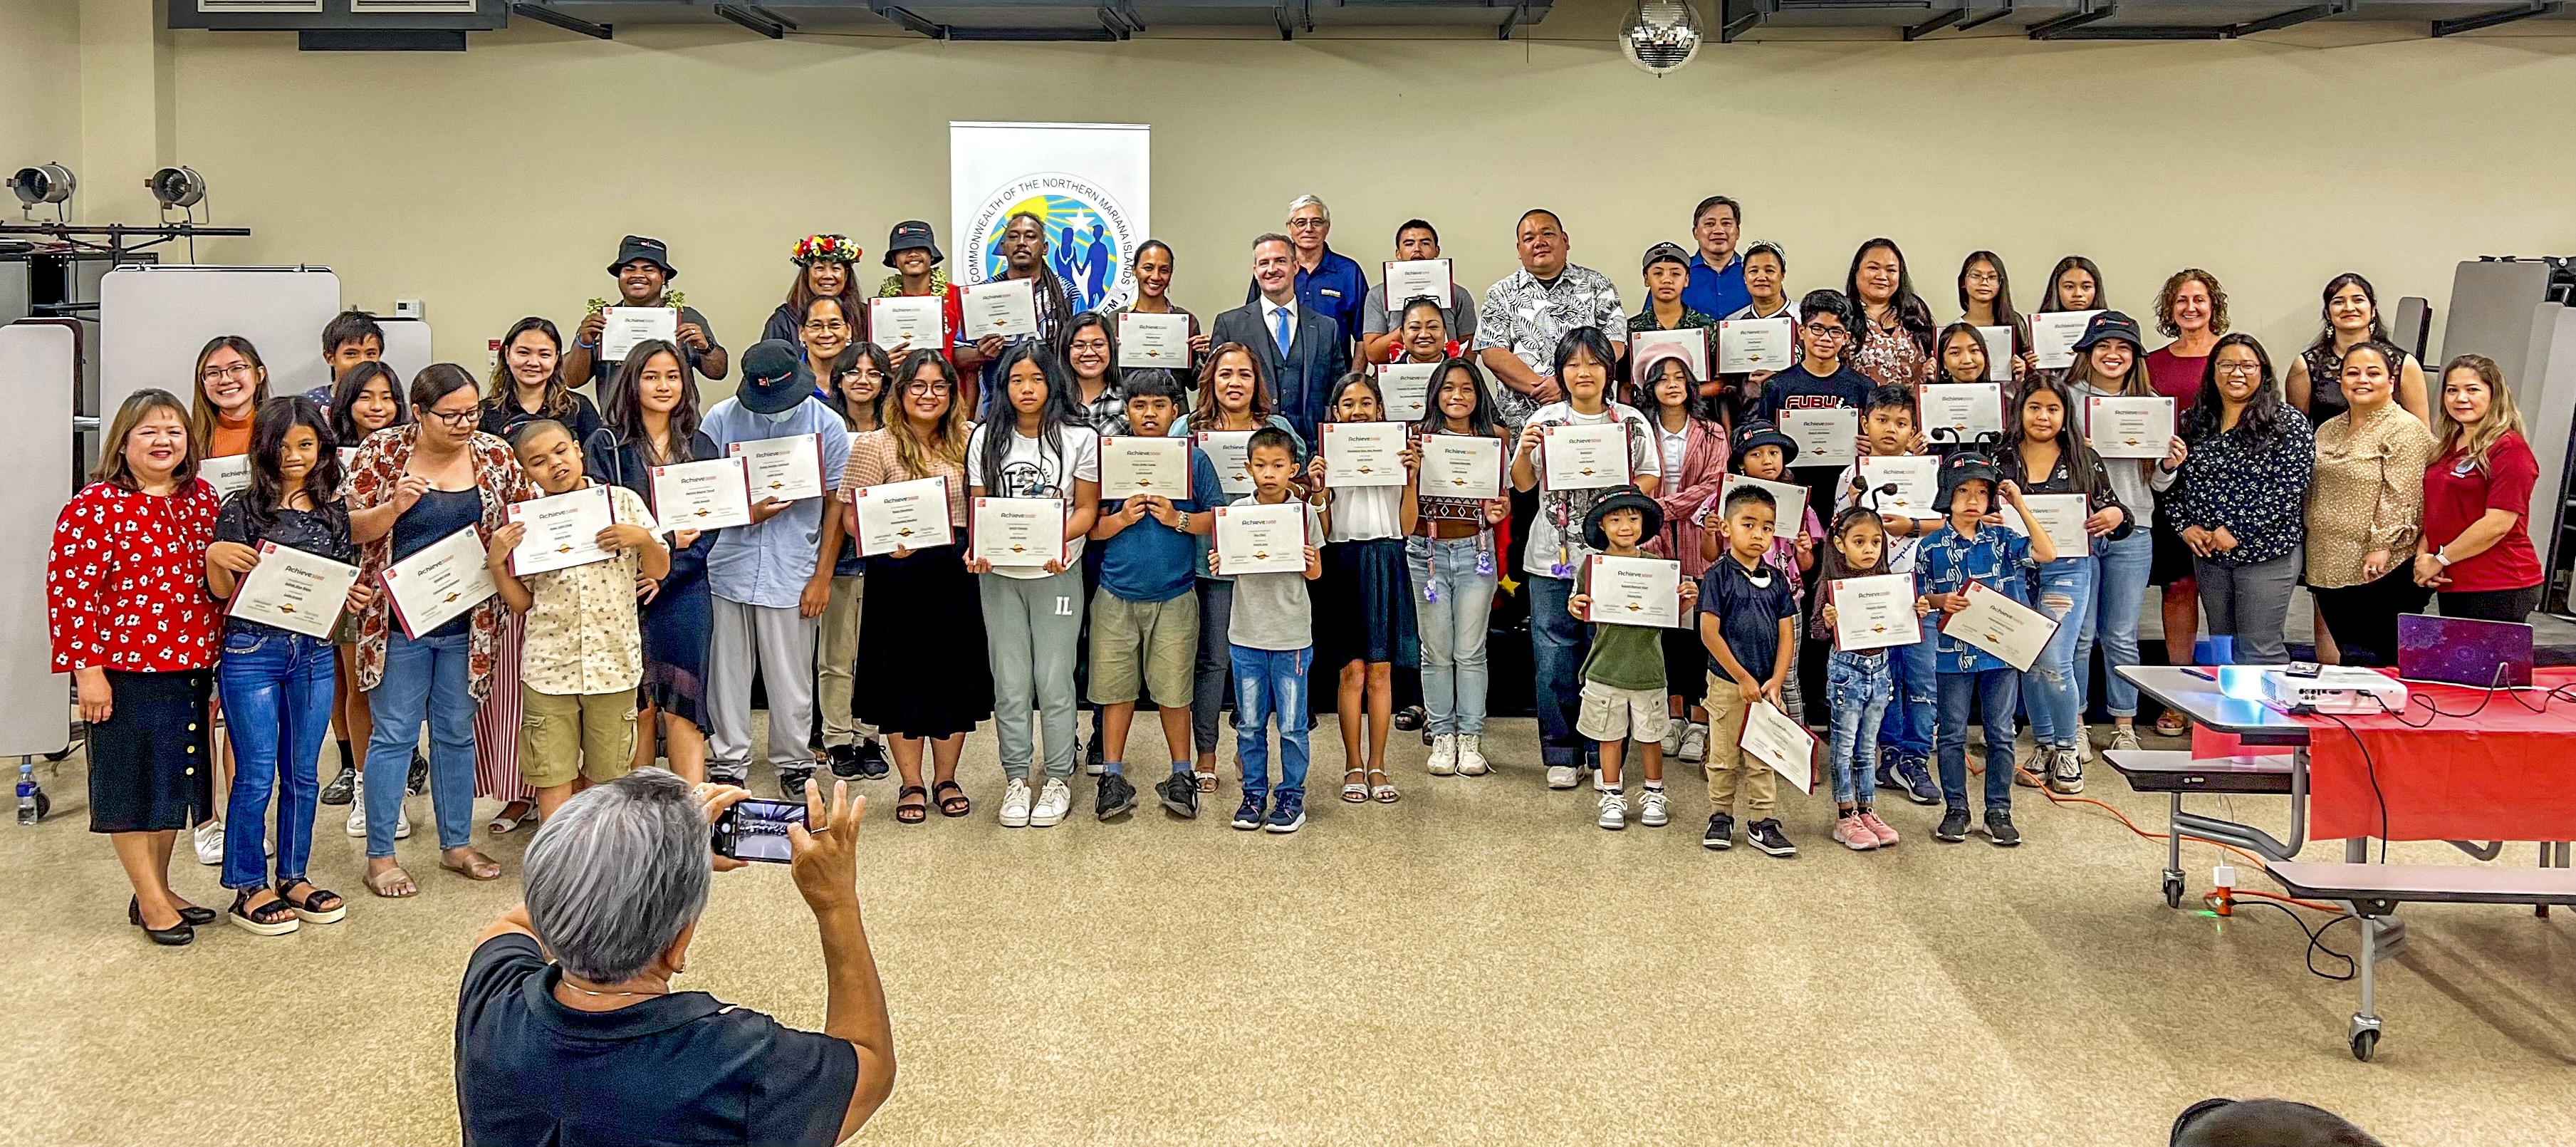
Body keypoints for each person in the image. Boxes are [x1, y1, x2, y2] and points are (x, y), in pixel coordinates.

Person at [454, 772, 894, 1146]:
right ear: (677, 944)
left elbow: (515, 924)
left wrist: (640, 855)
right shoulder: (737, 1063)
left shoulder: (492, 998)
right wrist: (836, 904)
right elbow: (870, 1064)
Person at [346, 363, 533, 897]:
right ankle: (381, 856)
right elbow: (348, 528)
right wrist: (394, 507)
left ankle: (456, 844)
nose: (463, 424)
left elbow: (528, 516)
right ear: (418, 413)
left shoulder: (495, 455)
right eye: (449, 415)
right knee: (394, 736)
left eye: (471, 412)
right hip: (395, 624)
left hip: (470, 624)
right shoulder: (382, 452)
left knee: (456, 732)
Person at [51, 390, 223, 944]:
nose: (163, 441)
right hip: (123, 674)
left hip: (189, 667)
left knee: (173, 785)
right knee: (130, 787)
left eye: (173, 431)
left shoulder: (202, 499)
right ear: (123, 443)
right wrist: (87, 672)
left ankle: (159, 887)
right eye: (148, 431)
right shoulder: (94, 505)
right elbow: (70, 596)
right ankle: (149, 900)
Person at [202, 397, 368, 935]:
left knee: (303, 772)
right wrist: (218, 559)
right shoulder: (241, 508)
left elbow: (336, 589)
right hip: (251, 652)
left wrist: (351, 598)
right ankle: (249, 885)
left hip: (313, 654)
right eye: (283, 445)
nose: (295, 456)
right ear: (263, 448)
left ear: (322, 447)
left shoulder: (333, 513)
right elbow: (220, 592)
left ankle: (294, 876)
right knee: (254, 775)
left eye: (306, 444)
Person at [486, 419, 667, 824]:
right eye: (538, 461)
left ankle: (599, 850)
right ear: (526, 472)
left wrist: (641, 538)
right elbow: (522, 603)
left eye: (560, 451)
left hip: (613, 664)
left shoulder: (621, 502)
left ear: (578, 449)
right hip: (550, 667)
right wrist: (497, 563)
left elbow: (659, 568)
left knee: (608, 776)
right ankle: (556, 849)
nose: (555, 464)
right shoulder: (526, 522)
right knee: (552, 773)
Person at [845, 351, 994, 824]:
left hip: (955, 572)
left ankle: (946, 778)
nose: (929, 395)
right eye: (918, 386)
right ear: (901, 391)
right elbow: (850, 516)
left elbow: (985, 502)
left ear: (952, 393)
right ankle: (911, 782)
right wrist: (883, 543)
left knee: (952, 677)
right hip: (897, 576)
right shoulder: (874, 445)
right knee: (902, 678)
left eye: (939, 387)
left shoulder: (971, 438)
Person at [699, 341, 852, 796]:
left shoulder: (826, 423)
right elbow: (704, 494)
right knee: (725, 672)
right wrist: (745, 511)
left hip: (794, 566)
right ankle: (728, 762)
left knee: (791, 673)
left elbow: (835, 505)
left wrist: (822, 577)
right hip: (727, 563)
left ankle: (794, 762)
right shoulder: (720, 419)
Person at [1511, 327, 1659, 789]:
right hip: (1551, 559)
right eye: (1573, 364)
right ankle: (1561, 751)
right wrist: (1525, 450)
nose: (1584, 372)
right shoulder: (1545, 420)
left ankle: (1603, 756)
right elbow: (1521, 484)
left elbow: (1650, 477)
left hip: (1612, 560)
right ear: (1560, 373)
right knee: (1555, 657)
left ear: (1608, 370)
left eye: (1593, 363)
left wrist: (1616, 500)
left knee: (1606, 659)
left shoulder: (1630, 421)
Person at [965, 343, 1102, 829]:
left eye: (1036, 379)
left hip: (1056, 570)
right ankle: (1017, 777)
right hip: (1001, 576)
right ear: (1003, 387)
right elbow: (979, 508)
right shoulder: (985, 437)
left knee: (1054, 678)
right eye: (1016, 380)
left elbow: (1087, 510)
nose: (1026, 389)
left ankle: (1059, 776)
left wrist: (1054, 538)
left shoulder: (1080, 438)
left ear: (1053, 384)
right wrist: (978, 547)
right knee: (1010, 682)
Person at [585, 341, 721, 784]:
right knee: (637, 705)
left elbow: (711, 525)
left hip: (686, 591)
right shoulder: (606, 444)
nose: (664, 386)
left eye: (673, 376)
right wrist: (654, 554)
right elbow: (601, 520)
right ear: (632, 383)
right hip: (625, 591)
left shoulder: (701, 445)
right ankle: (640, 813)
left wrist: (665, 573)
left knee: (685, 703)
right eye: (651, 377)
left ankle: (691, 809)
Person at [1087, 371, 1221, 819]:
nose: (1149, 414)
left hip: (1175, 595)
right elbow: (1090, 528)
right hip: (1116, 593)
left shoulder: (1194, 459)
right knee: (1115, 690)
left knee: (1174, 690)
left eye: (1160, 405)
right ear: (1126, 411)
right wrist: (1121, 519)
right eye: (1139, 405)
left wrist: (1177, 520)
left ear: (1175, 411)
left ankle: (1182, 774)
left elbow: (1216, 518)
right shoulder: (1109, 459)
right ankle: (1112, 776)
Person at [1172, 343, 1308, 787]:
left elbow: (1299, 484)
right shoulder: (1187, 429)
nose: (1234, 383)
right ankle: (1207, 753)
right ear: (1210, 379)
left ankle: (1246, 747)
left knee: (1260, 663)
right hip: (1211, 561)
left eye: (1244, 374)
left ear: (1257, 381)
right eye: (1225, 374)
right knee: (1213, 661)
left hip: (1269, 569)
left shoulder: (1277, 428)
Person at [1917, 450, 2056, 846]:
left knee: (2000, 732)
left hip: (2000, 653)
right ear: (1947, 495)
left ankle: (1999, 811)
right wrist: (1941, 601)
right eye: (1963, 491)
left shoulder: (2003, 540)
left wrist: (2020, 506)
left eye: (1982, 492)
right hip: (1951, 653)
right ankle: (1956, 810)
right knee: (1951, 733)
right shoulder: (1931, 547)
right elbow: (1919, 598)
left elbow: (2047, 553)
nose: (1973, 500)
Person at [1997, 378, 2127, 794]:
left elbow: (2118, 511)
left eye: (2053, 409)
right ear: (2020, 412)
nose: (2043, 417)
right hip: (2014, 570)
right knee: (2029, 659)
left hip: (2067, 571)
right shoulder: (2000, 457)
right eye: (2034, 408)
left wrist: (2115, 517)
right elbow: (1970, 508)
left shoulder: (2084, 457)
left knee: (2055, 659)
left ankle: (2069, 748)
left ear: (2066, 414)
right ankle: (2045, 746)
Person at [2063, 313, 2184, 748]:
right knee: (2080, 635)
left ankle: (2124, 726)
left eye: (2123, 348)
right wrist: (2076, 452)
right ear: (2087, 352)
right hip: (2078, 528)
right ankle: (2074, 726)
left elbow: (2157, 483)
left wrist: (2169, 465)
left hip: (2135, 529)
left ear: (2135, 357)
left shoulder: (2151, 404)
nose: (2113, 355)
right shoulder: (2065, 398)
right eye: (2103, 346)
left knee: (2120, 635)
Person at [1310, 373, 1422, 806]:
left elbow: (1407, 526)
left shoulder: (1397, 452)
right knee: (1351, 671)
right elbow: (1325, 530)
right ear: (1336, 412)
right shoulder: (1329, 455)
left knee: (1380, 671)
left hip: (1387, 559)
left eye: (1366, 403)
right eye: (1348, 404)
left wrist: (1411, 478)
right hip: (1345, 561)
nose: (1358, 411)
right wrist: (1319, 491)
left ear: (1379, 409)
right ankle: (1352, 764)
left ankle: (1378, 764)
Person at [1827, 390, 1941, 806]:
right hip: (1870, 590)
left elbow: (1947, 521)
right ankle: (1889, 754)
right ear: (1865, 424)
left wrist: (1912, 526)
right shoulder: (1851, 475)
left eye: (1901, 423)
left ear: (1913, 430)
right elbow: (1839, 530)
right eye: (1882, 420)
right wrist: (1858, 509)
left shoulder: (1927, 470)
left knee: (1922, 677)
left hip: (1919, 587)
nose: (1891, 430)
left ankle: (1916, 757)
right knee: (1883, 679)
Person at [1210, 427, 1326, 834]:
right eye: (1261, 466)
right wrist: (1220, 563)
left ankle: (1291, 796)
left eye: (1278, 466)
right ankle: (1253, 795)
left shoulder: (1304, 514)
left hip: (1291, 636)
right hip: (1246, 635)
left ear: (1293, 469)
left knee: (1292, 725)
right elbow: (1228, 568)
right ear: (1248, 469)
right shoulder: (1236, 513)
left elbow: (1316, 574)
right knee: (1249, 724)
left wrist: (1310, 562)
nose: (1269, 473)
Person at [2175, 334, 2313, 666]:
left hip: (2267, 554)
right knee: (2222, 649)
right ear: (2212, 371)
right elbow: (2173, 482)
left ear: (2263, 371)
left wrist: (2236, 530)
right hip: (2210, 554)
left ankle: (2271, 704)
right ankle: (2225, 704)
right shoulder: (2193, 421)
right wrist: (2185, 525)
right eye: (2226, 365)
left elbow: (2288, 487)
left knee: (2259, 650)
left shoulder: (2287, 422)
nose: (2237, 373)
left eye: (2247, 366)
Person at [1568, 487, 1695, 831]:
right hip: (1604, 669)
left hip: (1648, 670)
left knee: (1650, 737)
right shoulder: (1593, 568)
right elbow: (1580, 607)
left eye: (1633, 518)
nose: (1625, 526)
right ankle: (1612, 795)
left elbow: (1671, 615)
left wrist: (1686, 601)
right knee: (1609, 736)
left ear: (1643, 523)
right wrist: (1576, 606)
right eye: (1615, 519)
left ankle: (1654, 793)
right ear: (1602, 526)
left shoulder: (1658, 568)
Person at [2306, 341, 2439, 667]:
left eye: (2373, 373)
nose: (2362, 380)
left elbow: (2404, 494)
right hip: (2327, 561)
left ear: (2392, 382)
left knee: (2380, 660)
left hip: (2382, 567)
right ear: (2341, 381)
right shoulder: (2328, 429)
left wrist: (2382, 546)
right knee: (2349, 656)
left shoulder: (2405, 429)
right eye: (2352, 373)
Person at [320, 362, 412, 824]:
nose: (377, 407)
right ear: (345, 402)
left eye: (387, 397)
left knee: (399, 694)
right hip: (349, 585)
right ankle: (364, 786)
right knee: (360, 687)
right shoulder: (324, 455)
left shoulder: (414, 450)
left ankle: (393, 788)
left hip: (406, 582)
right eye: (365, 397)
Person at [1409, 356, 1508, 779]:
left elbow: (1501, 501)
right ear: (1435, 394)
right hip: (1426, 552)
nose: (1457, 396)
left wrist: (1500, 510)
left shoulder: (1493, 441)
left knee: (1470, 651)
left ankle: (1470, 737)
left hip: (1475, 552)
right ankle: (1442, 734)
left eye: (1467, 388)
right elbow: (1404, 509)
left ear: (1478, 395)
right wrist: (1412, 473)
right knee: (1435, 651)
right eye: (1449, 388)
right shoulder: (1417, 440)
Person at [1694, 484, 1800, 856]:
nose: (1759, 535)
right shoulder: (1717, 576)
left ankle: (1762, 821)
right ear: (1726, 528)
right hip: (1728, 684)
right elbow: (1709, 632)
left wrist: (1776, 681)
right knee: (1723, 757)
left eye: (1767, 527)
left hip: (1766, 688)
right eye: (1749, 524)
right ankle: (1720, 815)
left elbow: (1787, 634)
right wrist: (1741, 677)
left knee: (1763, 756)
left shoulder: (1778, 580)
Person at [1811, 506, 1925, 850]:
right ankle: (1845, 815)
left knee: (1867, 746)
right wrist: (1828, 621)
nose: (1869, 549)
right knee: (1844, 745)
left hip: (1880, 668)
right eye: (1859, 541)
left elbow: (1900, 626)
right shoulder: (1832, 585)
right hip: (1847, 670)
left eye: (1876, 541)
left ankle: (1867, 809)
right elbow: (1816, 632)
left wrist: (1915, 611)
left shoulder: (1890, 583)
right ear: (1840, 544)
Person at [1696, 422, 1821, 729]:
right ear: (1741, 463)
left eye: (1774, 453)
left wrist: (1805, 550)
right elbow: (1709, 555)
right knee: (1737, 673)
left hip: (1784, 602)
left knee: (1786, 678)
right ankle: (1741, 739)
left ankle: (1795, 742)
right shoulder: (1722, 502)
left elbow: (1806, 566)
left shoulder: (1799, 503)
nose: (1767, 461)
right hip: (1734, 601)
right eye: (1757, 454)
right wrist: (1710, 533)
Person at [1637, 355, 1728, 765]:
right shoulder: (1639, 430)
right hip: (1652, 540)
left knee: (1699, 635)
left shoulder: (1712, 432)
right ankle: (1672, 717)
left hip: (1700, 537)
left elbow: (1713, 485)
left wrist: (1661, 507)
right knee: (1666, 634)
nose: (1672, 385)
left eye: (1679, 378)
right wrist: (1654, 515)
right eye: (1662, 379)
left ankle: (1699, 721)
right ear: (1650, 388)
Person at [1476, 209, 1629, 432]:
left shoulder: (1598, 285)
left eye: (1547, 234)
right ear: (1519, 249)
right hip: (1523, 421)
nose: (1539, 242)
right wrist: (1544, 389)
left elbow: (1615, 343)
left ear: (1565, 240)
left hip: (1590, 417)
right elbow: (1493, 353)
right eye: (1529, 238)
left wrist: (1564, 384)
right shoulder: (1500, 293)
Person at [2416, 354, 2543, 623]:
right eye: (2452, 390)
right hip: (2454, 580)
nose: (2461, 398)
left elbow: (2498, 524)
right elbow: (2438, 510)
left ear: (2494, 395)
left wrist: (2440, 559)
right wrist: (2424, 555)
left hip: (2498, 583)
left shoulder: (2509, 449)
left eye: (2472, 390)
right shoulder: (2448, 446)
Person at [813, 346, 891, 780]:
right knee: (837, 656)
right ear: (838, 379)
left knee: (875, 655)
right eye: (854, 372)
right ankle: (837, 738)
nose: (863, 380)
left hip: (886, 557)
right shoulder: (824, 427)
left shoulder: (896, 428)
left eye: (874, 373)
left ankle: (869, 736)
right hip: (839, 556)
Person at [2145, 269, 2227, 675]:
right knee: (2178, 588)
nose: (2190, 307)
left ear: (2214, 306)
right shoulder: (2151, 364)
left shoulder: (2233, 356)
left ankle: (2229, 683)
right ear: (2169, 308)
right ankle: (2178, 687)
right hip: (2171, 487)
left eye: (2199, 299)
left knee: (2228, 594)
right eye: (2181, 300)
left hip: (2225, 490)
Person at [1756, 289, 1875, 535]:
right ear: (1802, 332)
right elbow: (1765, 442)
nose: (1825, 338)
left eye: (1835, 331)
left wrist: (1871, 447)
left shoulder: (1864, 387)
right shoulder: (1777, 386)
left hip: (1845, 488)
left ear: (1846, 338)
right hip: (1793, 486)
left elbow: (1875, 441)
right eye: (1817, 328)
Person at [1210, 233, 1350, 441]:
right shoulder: (1230, 325)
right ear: (1255, 271)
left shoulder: (1326, 328)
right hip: (1250, 448)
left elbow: (1339, 395)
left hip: (1313, 449)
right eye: (1264, 263)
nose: (1272, 269)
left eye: (1280, 261)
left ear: (1295, 267)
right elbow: (1213, 391)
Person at [568, 234, 729, 388]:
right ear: (619, 276)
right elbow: (571, 380)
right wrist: (584, 342)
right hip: (617, 409)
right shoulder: (601, 322)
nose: (638, 275)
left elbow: (718, 373)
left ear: (663, 276)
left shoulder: (685, 317)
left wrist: (705, 347)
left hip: (677, 408)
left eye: (648, 269)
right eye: (630, 269)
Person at [2286, 272, 2432, 427]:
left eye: (2358, 300)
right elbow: (2296, 431)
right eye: (2339, 302)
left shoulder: (2404, 364)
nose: (2349, 308)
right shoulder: (2306, 365)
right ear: (2328, 314)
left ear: (2373, 310)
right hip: (2324, 442)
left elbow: (2422, 431)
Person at [969, 212, 1080, 415]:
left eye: (1030, 236)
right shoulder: (982, 293)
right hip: (998, 409)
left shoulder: (1067, 292)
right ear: (1003, 247)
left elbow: (1083, 345)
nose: (1021, 243)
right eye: (1013, 237)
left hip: (1056, 408)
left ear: (1044, 248)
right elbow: (958, 354)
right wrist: (979, 354)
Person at [1246, 194, 1367, 357]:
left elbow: (1364, 337)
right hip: (1275, 369)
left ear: (1327, 227)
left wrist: (1354, 373)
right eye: (1301, 223)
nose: (1309, 229)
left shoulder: (1349, 272)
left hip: (1333, 370)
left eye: (1317, 222)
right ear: (1290, 228)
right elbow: (1251, 324)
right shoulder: (1272, 272)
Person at [1360, 219, 1479, 365]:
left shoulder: (1459, 295)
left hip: (1446, 374)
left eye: (1425, 243)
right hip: (1397, 376)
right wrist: (1411, 329)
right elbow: (1373, 355)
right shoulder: (1378, 295)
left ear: (1437, 251)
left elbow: (1469, 348)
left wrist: (1457, 375)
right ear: (1398, 253)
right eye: (1409, 244)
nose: (1417, 249)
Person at [481, 316, 606, 450]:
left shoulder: (578, 408)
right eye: (523, 353)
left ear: (556, 358)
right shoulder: (485, 412)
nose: (533, 362)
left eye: (544, 355)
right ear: (507, 354)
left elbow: (597, 458)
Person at [872, 220, 976, 376]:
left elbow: (971, 365)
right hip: (899, 386)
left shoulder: (958, 296)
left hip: (950, 386)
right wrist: (883, 364)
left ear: (932, 255)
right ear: (894, 259)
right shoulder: (883, 304)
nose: (913, 254)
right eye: (903, 250)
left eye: (921, 248)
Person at [1716, 239, 1797, 433]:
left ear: (1782, 275)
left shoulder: (1803, 317)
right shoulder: (1732, 323)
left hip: (1793, 420)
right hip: (1744, 427)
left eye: (1770, 270)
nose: (1762, 277)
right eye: (1754, 271)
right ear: (1744, 277)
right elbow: (1725, 387)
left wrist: (1780, 378)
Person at [1629, 242, 1720, 398]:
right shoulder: (1632, 328)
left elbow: (1721, 382)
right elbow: (1626, 385)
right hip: (1647, 410)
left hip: (1699, 408)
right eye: (1658, 273)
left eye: (1675, 274)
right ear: (1646, 279)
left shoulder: (1706, 325)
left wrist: (1686, 395)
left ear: (1687, 280)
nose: (1667, 280)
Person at [1845, 239, 1936, 390]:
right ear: (1856, 271)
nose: (1882, 276)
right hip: (1863, 404)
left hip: (1914, 404)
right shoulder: (1843, 315)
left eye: (1891, 270)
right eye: (1873, 268)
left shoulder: (1916, 313)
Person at [1109, 239, 1209, 363]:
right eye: (1148, 268)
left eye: (1164, 270)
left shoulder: (1187, 321)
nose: (1156, 277)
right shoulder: (1114, 320)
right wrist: (1109, 353)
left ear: (1171, 274)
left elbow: (1195, 373)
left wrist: (1205, 356)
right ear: (1134, 270)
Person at [763, 234, 865, 346]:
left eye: (836, 268)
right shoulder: (783, 321)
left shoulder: (865, 317)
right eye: (819, 268)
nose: (828, 276)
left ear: (846, 275)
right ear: (807, 275)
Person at [1954, 250, 2028, 383]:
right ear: (1963, 282)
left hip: (2010, 396)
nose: (1984, 282)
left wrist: (2023, 373)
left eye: (1992, 277)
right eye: (1976, 276)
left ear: (2001, 283)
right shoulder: (1954, 329)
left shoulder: (2016, 323)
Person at [192, 335, 269, 460]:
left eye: (236, 368)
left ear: (259, 375)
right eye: (213, 373)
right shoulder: (188, 441)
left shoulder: (284, 431)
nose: (225, 380)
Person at [2030, 256, 2105, 378]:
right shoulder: (2036, 331)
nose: (2078, 294)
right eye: (2069, 287)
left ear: (2096, 289)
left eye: (2086, 287)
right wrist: (2031, 367)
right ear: (2056, 289)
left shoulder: (2111, 327)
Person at [1681, 194, 1750, 320]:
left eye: (1726, 223)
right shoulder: (1678, 274)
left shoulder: (1754, 273)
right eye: (1710, 224)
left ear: (1738, 232)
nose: (1718, 230)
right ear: (1695, 232)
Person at [299, 308, 386, 407]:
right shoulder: (310, 405)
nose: (362, 362)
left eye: (370, 354)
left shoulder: (390, 404)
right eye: (351, 354)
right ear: (330, 358)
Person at [796, 296, 858, 390]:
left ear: (849, 330)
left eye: (834, 325)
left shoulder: (864, 379)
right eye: (816, 326)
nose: (826, 334)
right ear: (802, 332)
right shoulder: (790, 380)